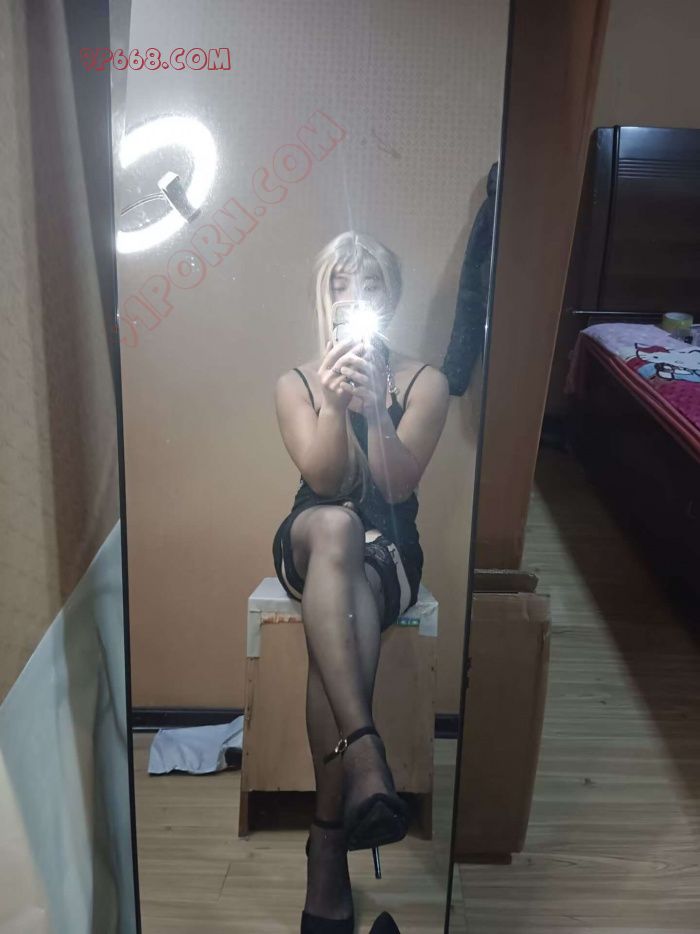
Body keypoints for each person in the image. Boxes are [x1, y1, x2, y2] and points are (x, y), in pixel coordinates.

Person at [272, 231, 449, 933]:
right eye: (340, 285)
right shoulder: (296, 381)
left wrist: (378, 406)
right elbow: (323, 482)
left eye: (369, 285)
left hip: (391, 548)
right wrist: (334, 402)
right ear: (324, 297)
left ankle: (326, 849)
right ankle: (367, 751)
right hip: (313, 537)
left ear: (390, 298)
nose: (353, 297)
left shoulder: (424, 381)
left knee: (335, 634)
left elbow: (395, 486)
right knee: (336, 527)